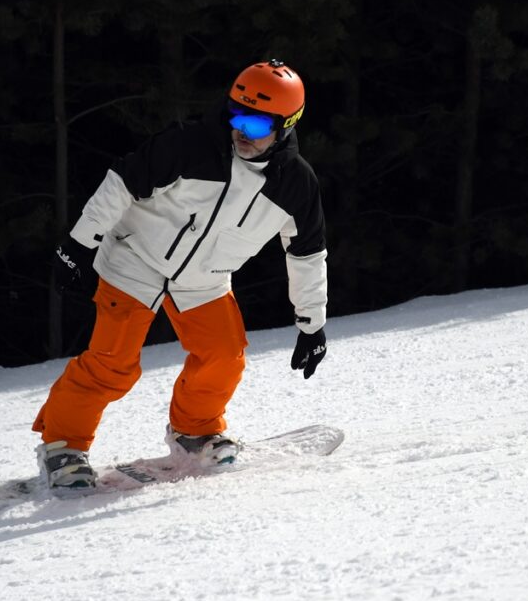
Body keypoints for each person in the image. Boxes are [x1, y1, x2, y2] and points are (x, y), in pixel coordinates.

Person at [32, 59, 328, 490]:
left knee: (224, 356)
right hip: (134, 261)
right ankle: (63, 448)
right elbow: (121, 183)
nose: (242, 132)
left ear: (286, 126)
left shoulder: (295, 185)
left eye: (257, 124)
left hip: (205, 279)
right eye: (236, 116)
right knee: (112, 364)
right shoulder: (190, 145)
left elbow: (306, 254)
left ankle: (195, 432)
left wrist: (312, 324)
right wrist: (79, 243)